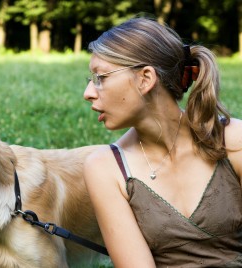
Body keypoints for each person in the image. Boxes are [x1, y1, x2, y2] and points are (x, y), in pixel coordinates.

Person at [83, 17, 242, 267]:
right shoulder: (105, 168)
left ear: (145, 78)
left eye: (100, 77)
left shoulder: (234, 140)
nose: (88, 93)